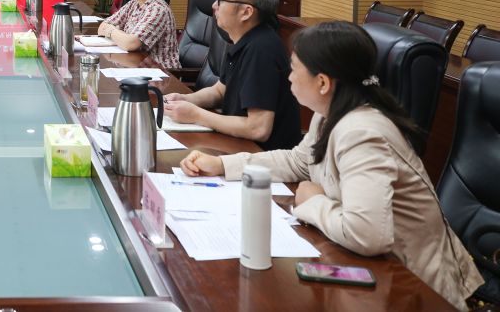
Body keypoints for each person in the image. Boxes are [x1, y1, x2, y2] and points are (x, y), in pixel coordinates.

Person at [179, 21, 484, 308]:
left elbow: (367, 234)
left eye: (294, 69)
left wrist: (312, 201)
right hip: (370, 269)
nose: (288, 77)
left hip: (413, 288)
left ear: (323, 82)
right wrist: (223, 165)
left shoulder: (362, 132)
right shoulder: (330, 112)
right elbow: (298, 161)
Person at [164, 0, 300, 150]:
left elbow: (258, 128)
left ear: (246, 12)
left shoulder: (262, 50)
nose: (214, 5)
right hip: (236, 145)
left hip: (261, 156)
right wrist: (185, 99)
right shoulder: (240, 40)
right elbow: (220, 91)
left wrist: (196, 115)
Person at [97, 0, 181, 70]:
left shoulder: (158, 9)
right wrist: (120, 35)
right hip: (137, 67)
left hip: (161, 73)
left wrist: (112, 31)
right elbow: (102, 27)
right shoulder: (135, 2)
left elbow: (130, 44)